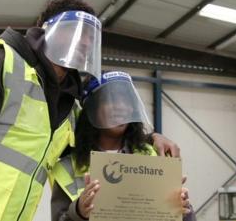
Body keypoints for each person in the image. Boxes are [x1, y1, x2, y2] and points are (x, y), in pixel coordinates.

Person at [0, 0, 181, 221]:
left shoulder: (68, 104)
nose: (83, 41)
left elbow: (102, 126)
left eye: (89, 36)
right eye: (73, 30)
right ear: (44, 30)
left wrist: (152, 137)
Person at [50, 71, 196, 221]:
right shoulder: (68, 168)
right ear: (91, 109)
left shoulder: (155, 155)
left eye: (126, 101)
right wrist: (78, 212)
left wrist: (183, 211)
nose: (121, 107)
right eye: (110, 100)